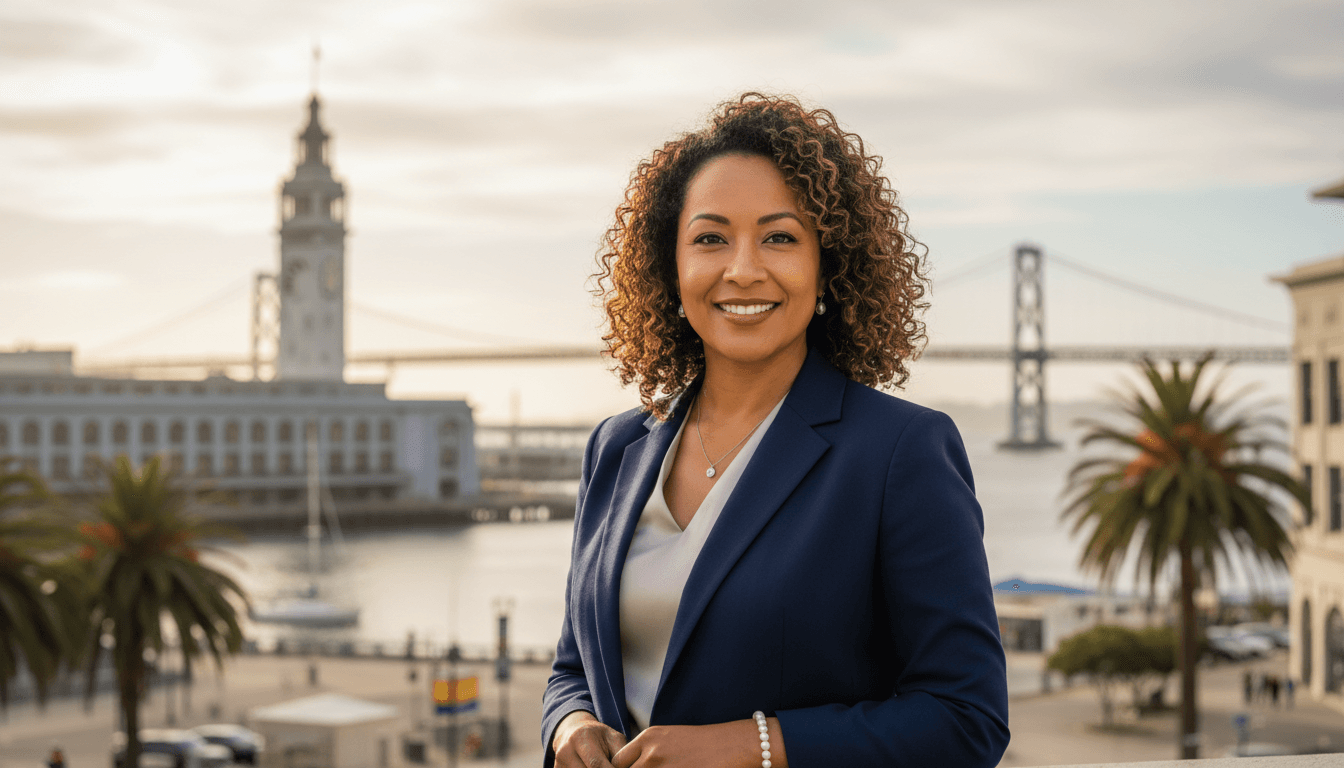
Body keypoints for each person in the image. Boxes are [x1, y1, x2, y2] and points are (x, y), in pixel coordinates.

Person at [542, 93, 1010, 768]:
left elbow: (966, 720)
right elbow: (571, 669)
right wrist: (571, 724)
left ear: (828, 265)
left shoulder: (900, 452)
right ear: (671, 267)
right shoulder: (616, 448)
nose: (742, 269)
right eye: (709, 238)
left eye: (780, 237)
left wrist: (753, 746)